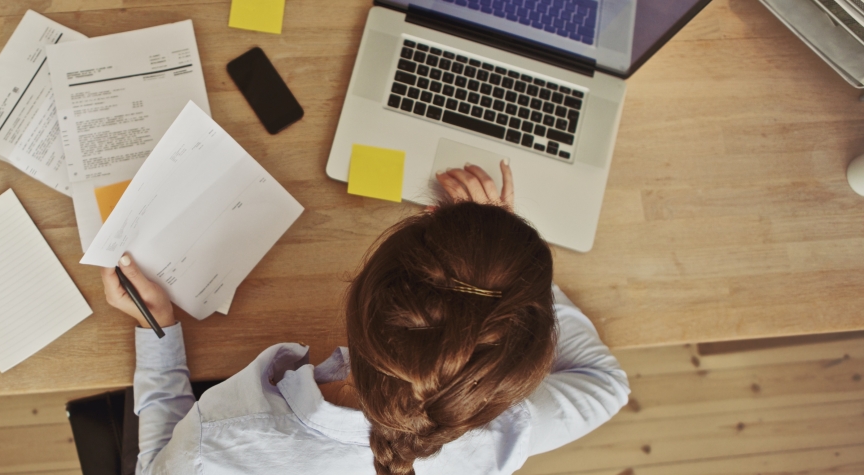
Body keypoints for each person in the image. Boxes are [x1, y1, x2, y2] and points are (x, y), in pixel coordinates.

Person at [100, 162, 630, 475]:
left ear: (358, 292)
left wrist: (158, 331)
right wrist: (509, 274)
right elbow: (604, 387)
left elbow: (156, 465)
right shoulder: (497, 438)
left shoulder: (220, 441)